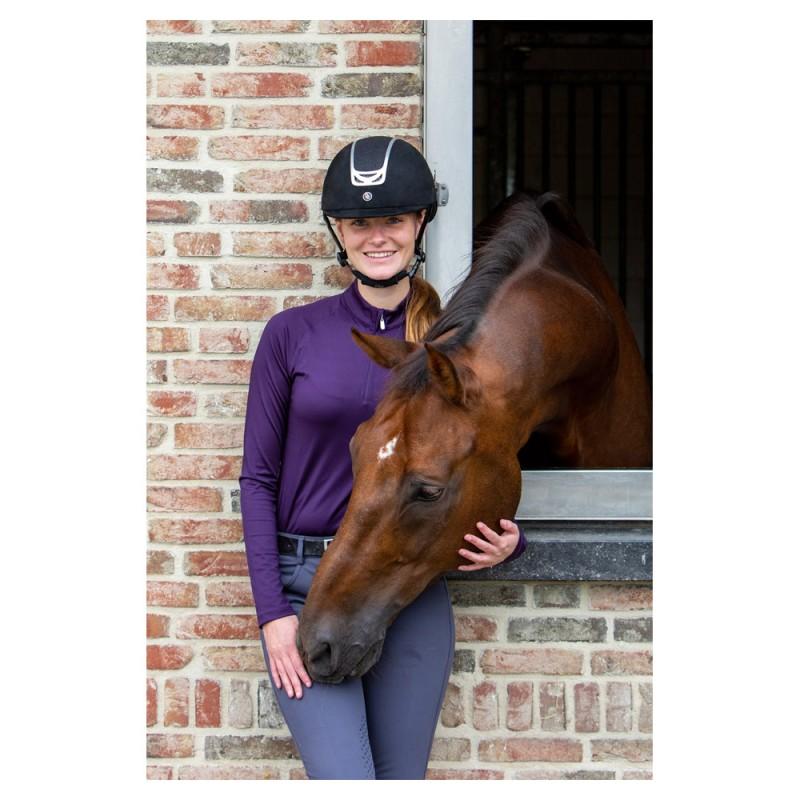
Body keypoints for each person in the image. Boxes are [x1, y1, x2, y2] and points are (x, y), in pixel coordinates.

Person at [239, 136, 527, 780]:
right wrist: (273, 616)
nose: (377, 237)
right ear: (338, 232)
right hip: (308, 583)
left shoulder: (459, 350)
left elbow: (487, 465)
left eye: (392, 220)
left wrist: (510, 540)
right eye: (359, 223)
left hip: (411, 593)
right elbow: (257, 480)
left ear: (419, 222)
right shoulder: (293, 334)